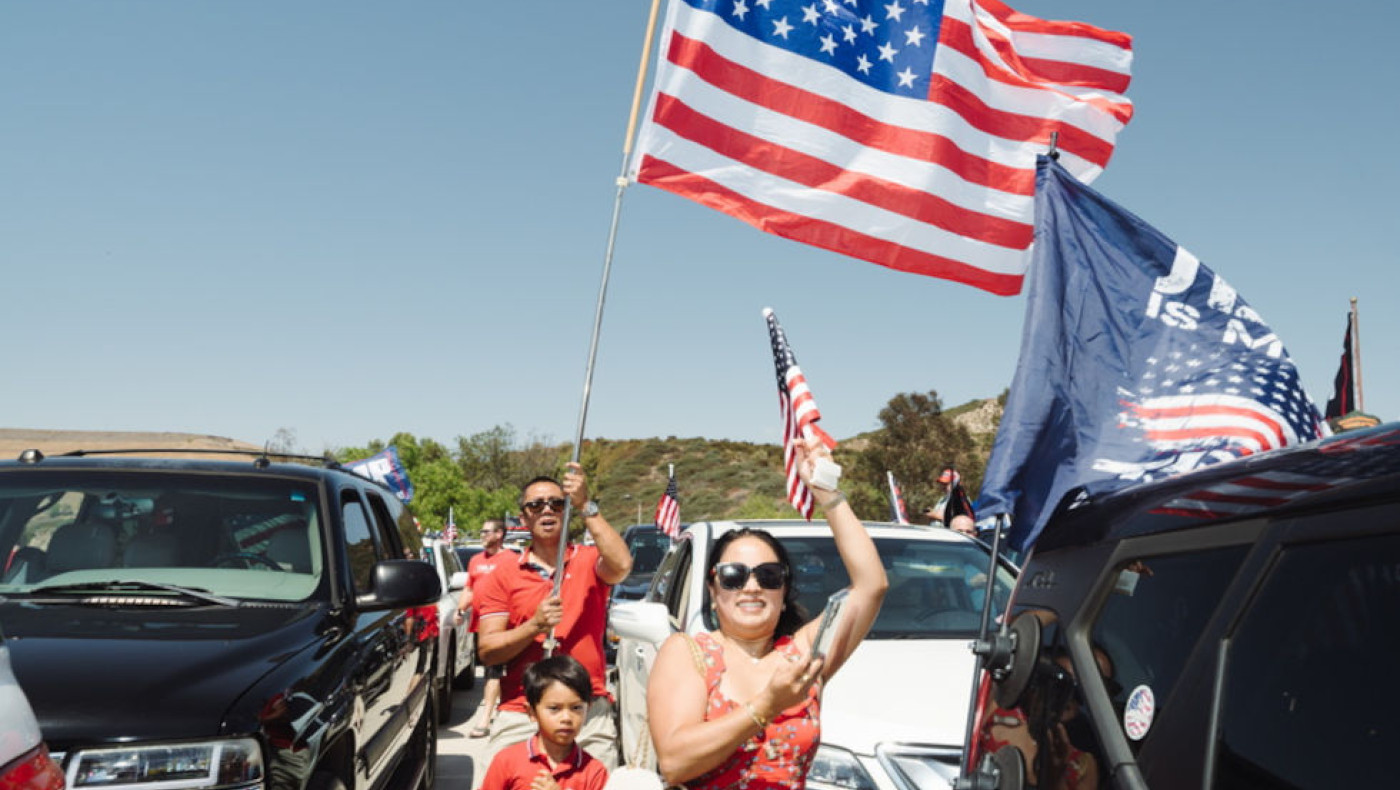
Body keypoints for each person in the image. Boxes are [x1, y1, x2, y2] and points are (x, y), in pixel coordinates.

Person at [646, 438, 888, 788]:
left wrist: (827, 493)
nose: (752, 586)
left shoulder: (804, 656)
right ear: (713, 590)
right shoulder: (689, 653)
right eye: (734, 576)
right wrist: (766, 706)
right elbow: (675, 762)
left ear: (784, 591)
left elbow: (870, 586)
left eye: (768, 575)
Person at [476, 463, 633, 768]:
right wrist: (533, 626)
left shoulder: (590, 561)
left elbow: (622, 565)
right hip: (522, 710)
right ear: (523, 517)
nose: (546, 510)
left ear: (566, 511)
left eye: (556, 504)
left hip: (586, 710)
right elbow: (488, 652)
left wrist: (586, 506)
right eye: (535, 505)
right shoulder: (502, 575)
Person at [478, 654, 610, 790]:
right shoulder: (506, 761)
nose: (566, 718)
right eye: (554, 708)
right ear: (531, 712)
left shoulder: (594, 771)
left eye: (576, 708)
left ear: (588, 709)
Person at [455, 518, 510, 738]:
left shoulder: (511, 560)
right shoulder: (476, 560)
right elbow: (470, 589)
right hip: (481, 624)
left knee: (493, 670)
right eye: (482, 531)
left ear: (500, 534)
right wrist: (460, 610)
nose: (483, 535)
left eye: (487, 531)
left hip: (503, 624)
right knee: (491, 668)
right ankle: (499, 707)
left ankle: (486, 718)